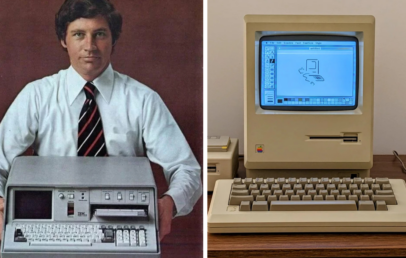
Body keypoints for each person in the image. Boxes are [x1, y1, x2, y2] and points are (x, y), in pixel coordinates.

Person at [0, 0, 202, 241]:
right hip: (50, 226)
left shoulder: (143, 100)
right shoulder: (36, 96)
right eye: (78, 34)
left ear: (113, 39)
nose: (90, 46)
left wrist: (170, 203)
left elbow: (186, 169)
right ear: (64, 40)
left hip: (122, 227)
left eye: (100, 34)